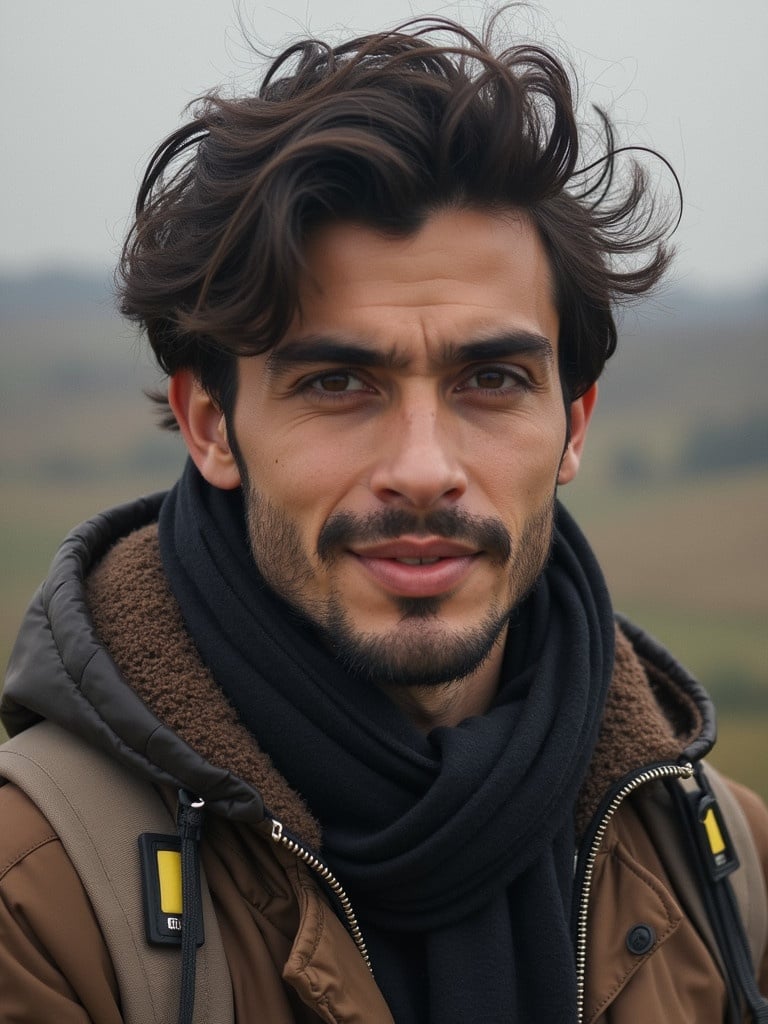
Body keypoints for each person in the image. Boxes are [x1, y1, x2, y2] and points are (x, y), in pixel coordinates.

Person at [1, 16, 766, 1024]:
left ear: (573, 424)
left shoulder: (725, 861)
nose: (422, 469)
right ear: (210, 425)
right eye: (338, 382)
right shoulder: (39, 890)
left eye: (491, 379)